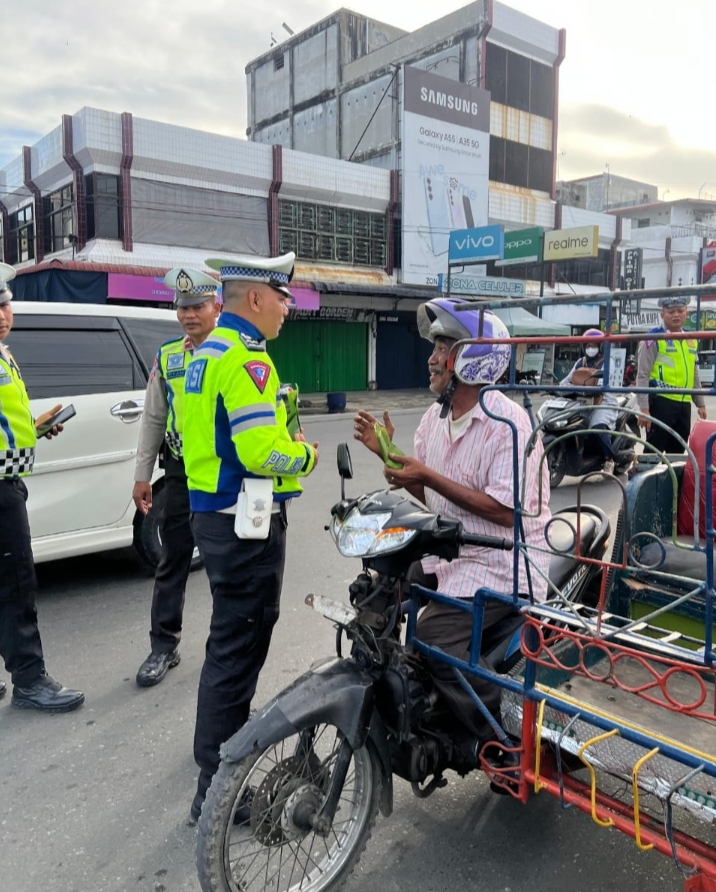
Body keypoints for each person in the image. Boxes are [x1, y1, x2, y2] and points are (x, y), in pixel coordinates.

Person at [354, 298, 551, 746]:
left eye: (442, 348)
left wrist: (425, 475)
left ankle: (503, 736)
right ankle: (403, 691)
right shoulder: (434, 418)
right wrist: (388, 454)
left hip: (504, 562)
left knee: (435, 637)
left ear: (471, 359)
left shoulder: (509, 425)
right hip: (454, 550)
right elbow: (432, 493)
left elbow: (505, 511)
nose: (432, 359)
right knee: (379, 591)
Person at [182, 251, 319, 821]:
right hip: (245, 523)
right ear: (257, 298)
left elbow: (197, 436)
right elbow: (260, 451)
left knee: (226, 648)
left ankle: (211, 774)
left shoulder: (204, 354)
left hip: (211, 514)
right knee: (237, 654)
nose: (288, 308)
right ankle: (217, 793)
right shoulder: (246, 359)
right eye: (283, 298)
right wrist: (305, 456)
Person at [0, 262, 84, 712]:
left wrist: (35, 428)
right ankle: (30, 680)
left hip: (9, 479)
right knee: (16, 582)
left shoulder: (4, 354)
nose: (2, 315)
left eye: (5, 305)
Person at [133, 269, 221, 687]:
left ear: (216, 307)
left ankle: (225, 649)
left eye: (197, 306)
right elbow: (154, 418)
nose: (188, 315)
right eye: (182, 307)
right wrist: (142, 474)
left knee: (224, 561)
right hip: (181, 472)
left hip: (223, 475)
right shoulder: (168, 357)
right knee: (173, 559)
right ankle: (163, 645)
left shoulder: (233, 351)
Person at [636, 294, 707, 454]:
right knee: (654, 451)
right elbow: (642, 375)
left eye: (680, 311)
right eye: (671, 312)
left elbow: (694, 371)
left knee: (677, 452)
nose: (676, 315)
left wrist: (700, 402)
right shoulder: (653, 338)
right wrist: (644, 409)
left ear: (686, 313)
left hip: (684, 404)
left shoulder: (692, 339)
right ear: (662, 315)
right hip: (661, 402)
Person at [560, 328, 619, 472]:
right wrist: (560, 387)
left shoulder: (607, 362)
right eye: (588, 345)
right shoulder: (580, 362)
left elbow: (601, 384)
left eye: (593, 345)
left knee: (597, 426)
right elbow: (565, 381)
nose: (590, 348)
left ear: (600, 347)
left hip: (604, 401)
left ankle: (609, 459)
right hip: (582, 401)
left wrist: (583, 387)